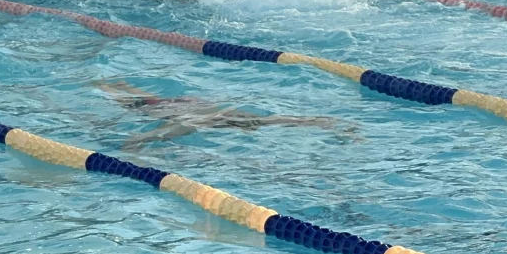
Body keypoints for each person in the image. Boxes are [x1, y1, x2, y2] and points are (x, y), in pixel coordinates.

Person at [96, 79, 344, 150]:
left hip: (197, 118)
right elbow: (122, 87)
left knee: (154, 137)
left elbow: (164, 129)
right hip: (212, 110)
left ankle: (312, 122)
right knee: (266, 121)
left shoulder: (154, 107)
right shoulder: (160, 100)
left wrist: (137, 141)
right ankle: (316, 122)